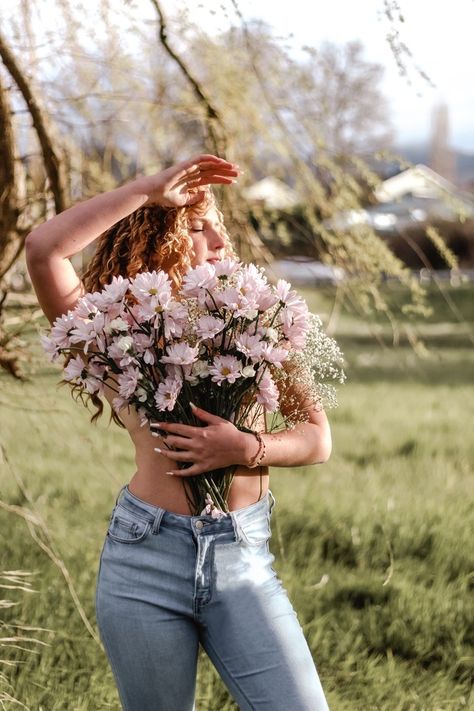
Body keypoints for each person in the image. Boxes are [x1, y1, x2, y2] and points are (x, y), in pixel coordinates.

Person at [25, 154, 332, 711]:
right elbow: (45, 249)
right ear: (156, 243)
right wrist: (146, 190)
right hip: (144, 558)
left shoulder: (258, 318)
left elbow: (317, 437)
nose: (219, 238)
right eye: (196, 226)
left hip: (242, 558)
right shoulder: (115, 334)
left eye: (220, 226)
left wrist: (247, 448)